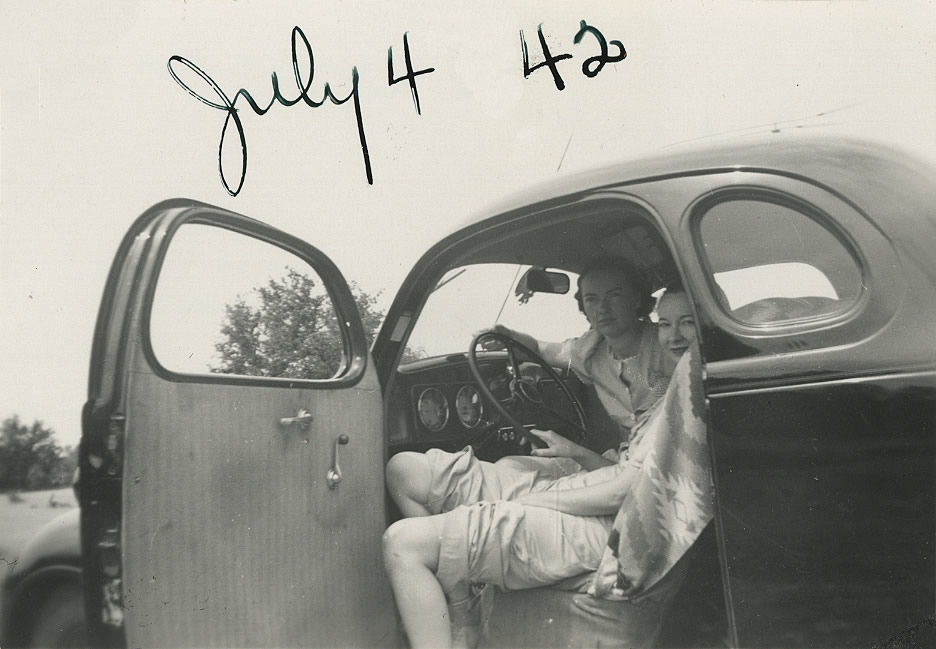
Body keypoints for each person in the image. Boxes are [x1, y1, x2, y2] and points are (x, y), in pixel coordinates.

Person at [382, 281, 698, 649]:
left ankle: (457, 588)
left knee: (402, 542)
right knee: (405, 469)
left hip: (615, 521)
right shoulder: (620, 360)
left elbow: (627, 489)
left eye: (688, 323)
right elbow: (630, 470)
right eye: (666, 324)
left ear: (639, 303)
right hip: (602, 485)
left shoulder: (682, 386)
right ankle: (459, 597)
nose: (673, 336)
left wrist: (533, 501)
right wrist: (573, 453)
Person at [386, 257, 668, 519]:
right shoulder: (592, 350)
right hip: (617, 460)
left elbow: (639, 468)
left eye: (614, 295)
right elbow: (541, 348)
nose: (602, 308)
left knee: (521, 493)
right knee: (511, 465)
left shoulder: (667, 345)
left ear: (636, 298)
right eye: (592, 299)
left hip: (642, 472)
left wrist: (575, 451)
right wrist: (508, 337)